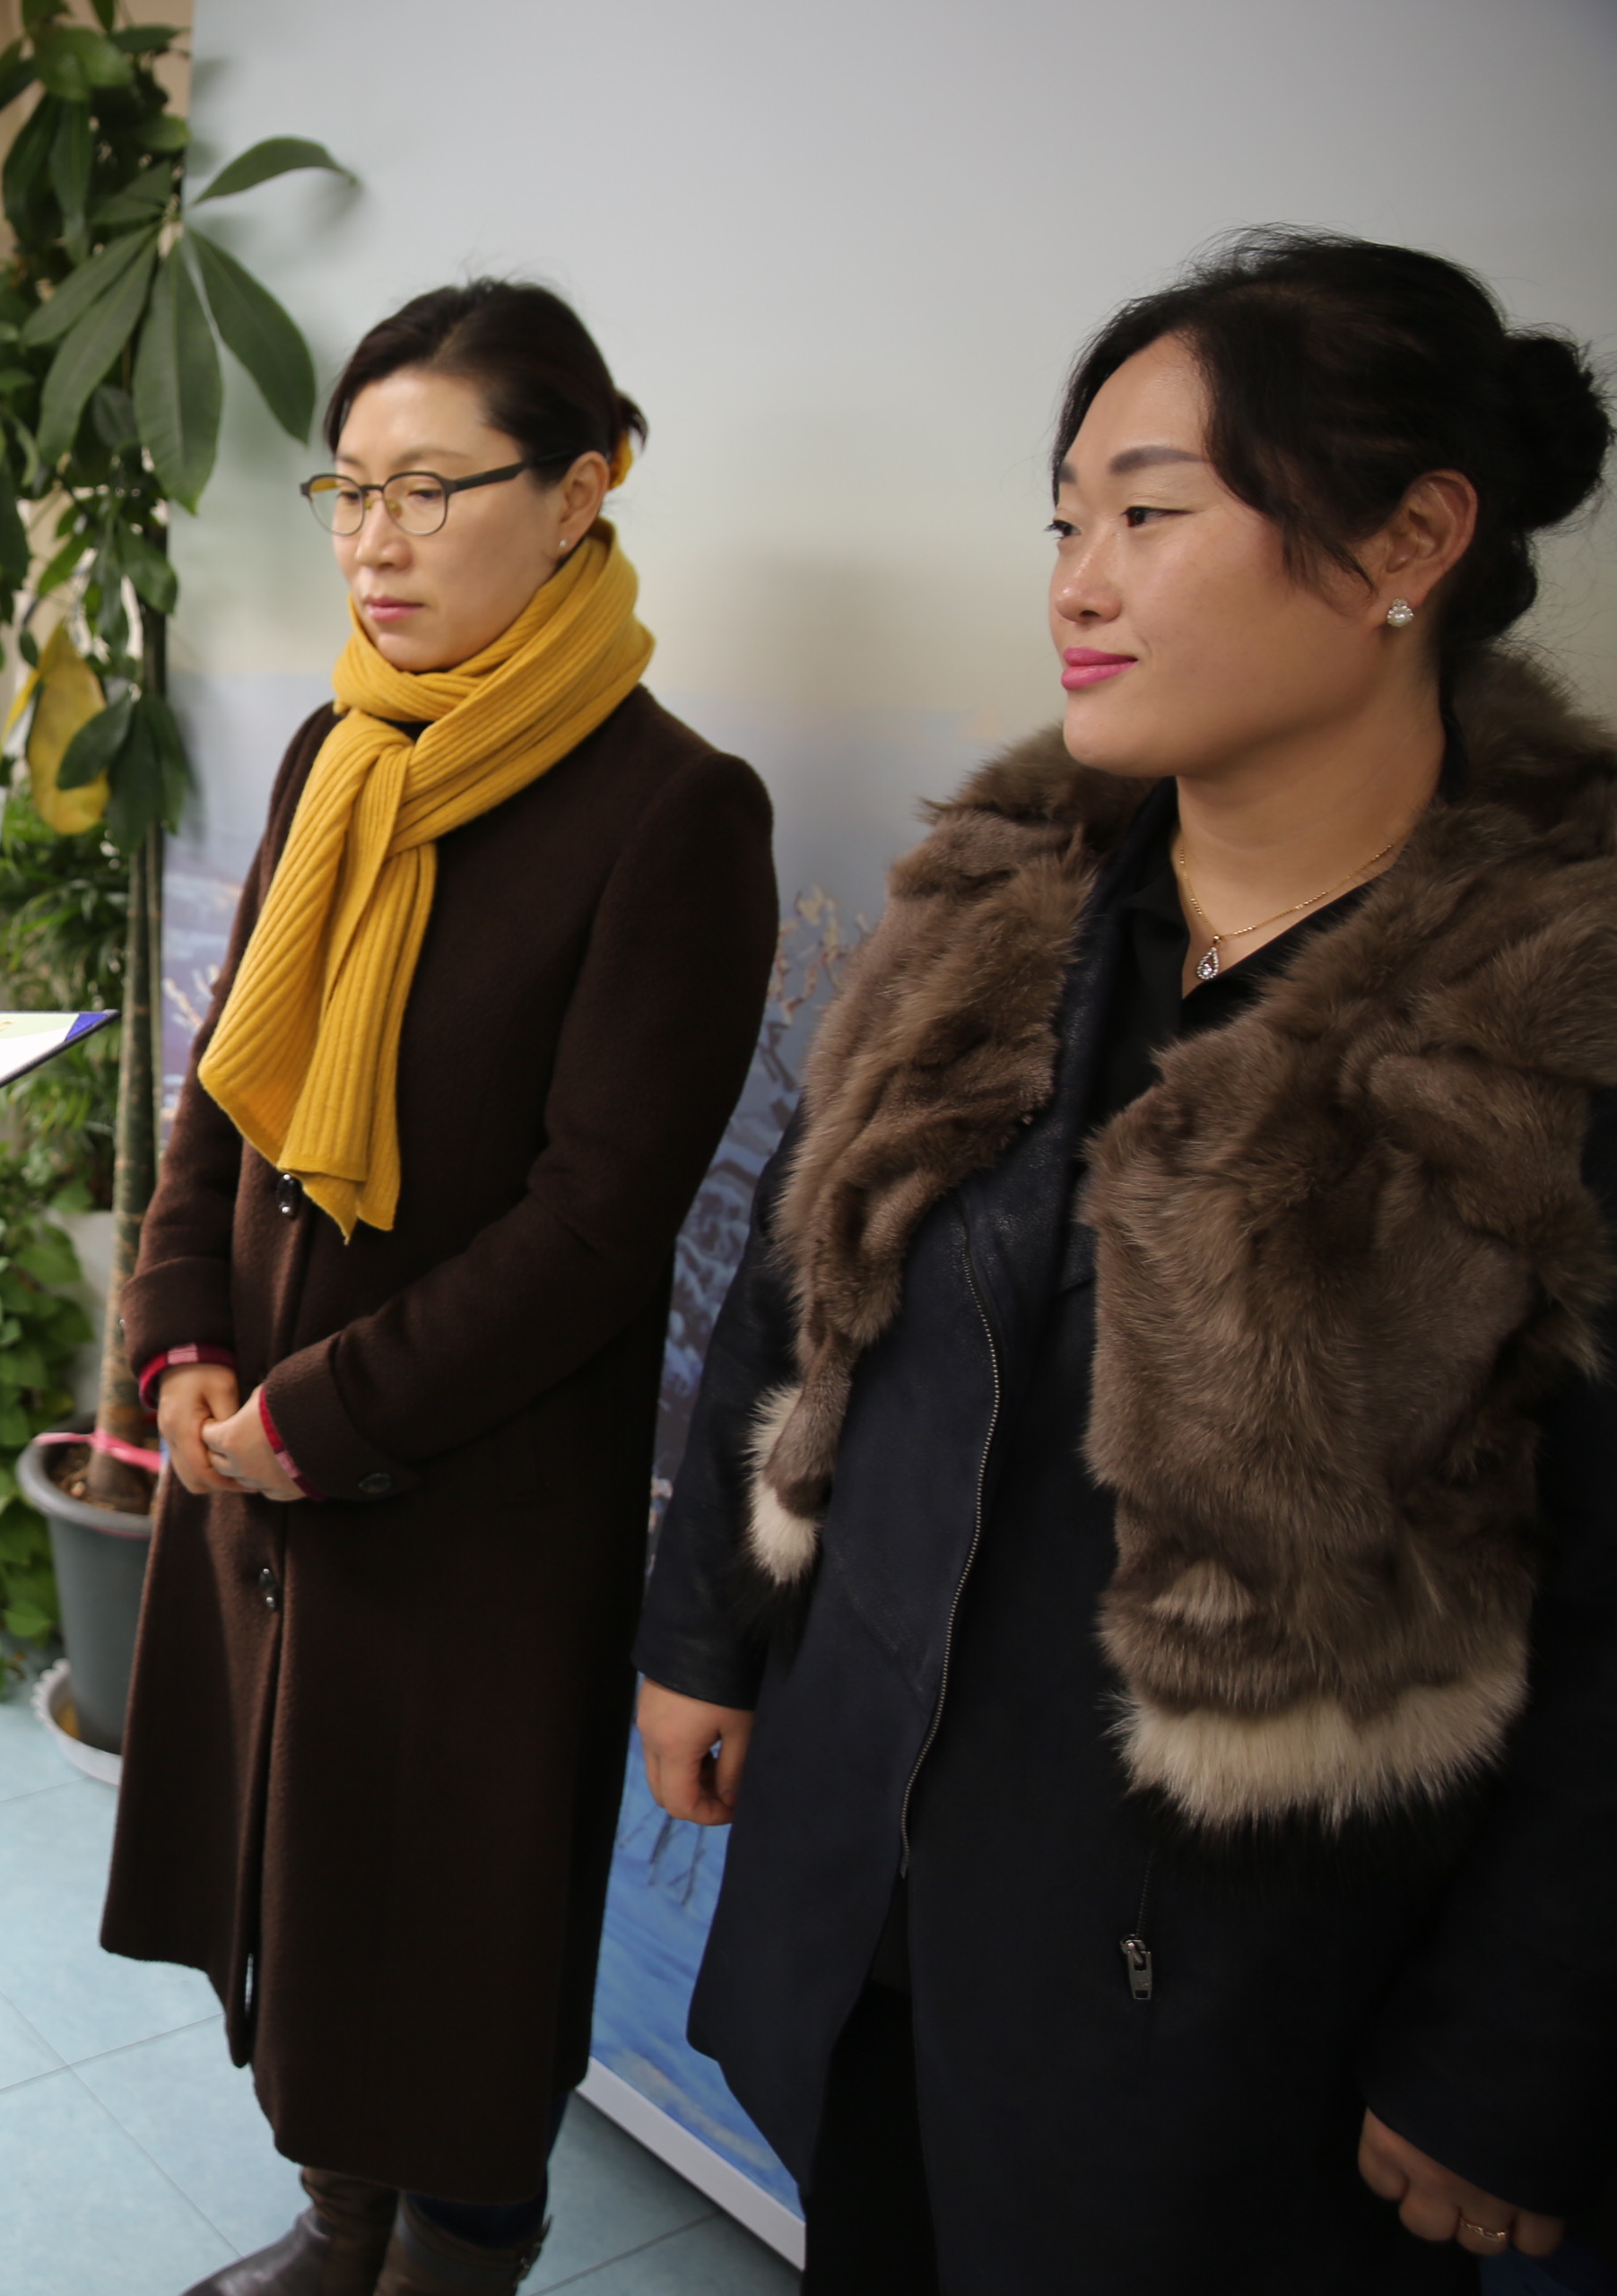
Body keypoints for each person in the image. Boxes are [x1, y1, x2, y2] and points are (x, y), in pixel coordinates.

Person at [635, 230, 1617, 2293]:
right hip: (892, 1890)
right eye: (1065, 522)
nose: (1077, 585)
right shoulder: (993, 908)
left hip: (1238, 2003)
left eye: (1149, 516)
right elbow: (800, 1288)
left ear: (1410, 542)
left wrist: (1516, 2040)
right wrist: (708, 1628)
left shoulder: (1553, 1028)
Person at [101, 281, 778, 2296]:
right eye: (350, 492)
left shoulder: (674, 810)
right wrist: (183, 1334)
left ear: (579, 494)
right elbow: (230, 1085)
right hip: (260, 1460)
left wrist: (318, 1417)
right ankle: (342, 2225)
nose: (374, 544)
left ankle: (461, 2256)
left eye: (430, 490)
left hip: (468, 1499)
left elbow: (597, 1224)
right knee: (305, 1895)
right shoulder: (344, 747)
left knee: (458, 1933)